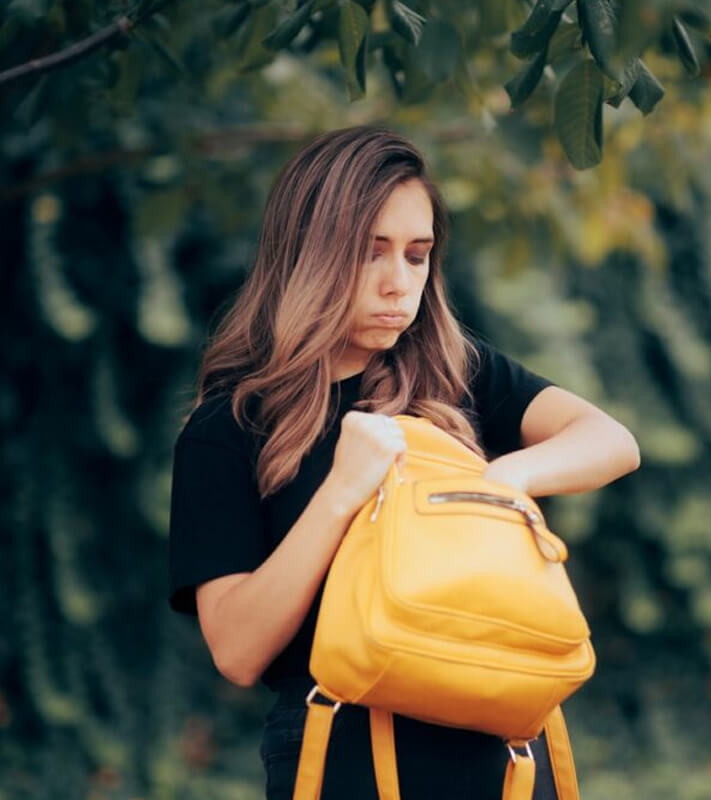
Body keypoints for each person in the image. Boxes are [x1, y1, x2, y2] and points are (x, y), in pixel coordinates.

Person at [167, 125, 641, 800]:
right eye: (371, 253)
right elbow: (238, 651)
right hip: (348, 762)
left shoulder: (455, 372)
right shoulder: (231, 427)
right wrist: (341, 493)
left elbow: (612, 441)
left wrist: (506, 479)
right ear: (310, 254)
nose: (399, 283)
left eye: (418, 256)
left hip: (502, 756)